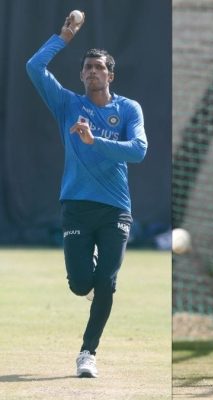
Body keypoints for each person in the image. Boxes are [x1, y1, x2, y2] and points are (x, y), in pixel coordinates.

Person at [26, 11, 147, 378]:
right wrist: (63, 38)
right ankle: (90, 282)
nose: (94, 71)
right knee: (82, 285)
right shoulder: (67, 104)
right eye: (88, 67)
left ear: (111, 75)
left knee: (106, 283)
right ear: (81, 75)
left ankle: (87, 353)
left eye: (100, 67)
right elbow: (34, 67)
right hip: (76, 206)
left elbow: (139, 150)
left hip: (115, 209)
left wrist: (96, 141)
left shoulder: (128, 109)